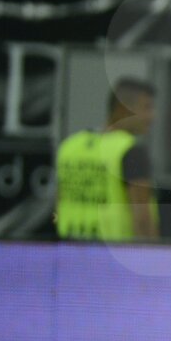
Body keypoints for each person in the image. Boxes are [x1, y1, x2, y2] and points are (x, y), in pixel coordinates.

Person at [55, 78, 160, 241]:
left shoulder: (70, 146)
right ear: (123, 109)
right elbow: (142, 220)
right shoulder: (130, 151)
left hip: (70, 252)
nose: (152, 116)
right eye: (146, 108)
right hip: (113, 257)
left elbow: (59, 207)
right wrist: (154, 261)